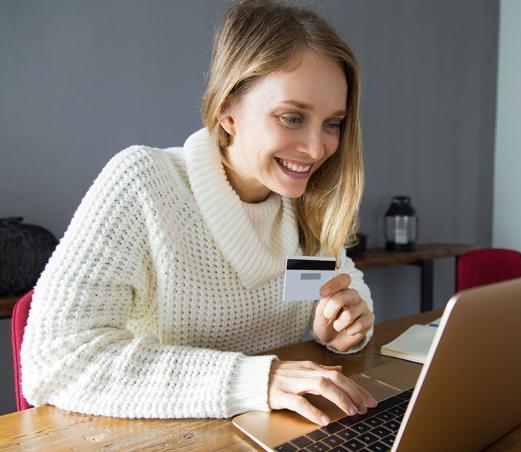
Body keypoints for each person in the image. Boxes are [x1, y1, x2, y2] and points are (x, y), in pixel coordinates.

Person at [21, 0, 376, 426]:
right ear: (228, 111)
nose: (318, 149)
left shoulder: (305, 202)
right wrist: (255, 381)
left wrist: (341, 329)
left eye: (332, 123)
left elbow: (348, 291)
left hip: (276, 432)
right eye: (292, 117)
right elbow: (56, 359)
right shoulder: (145, 184)